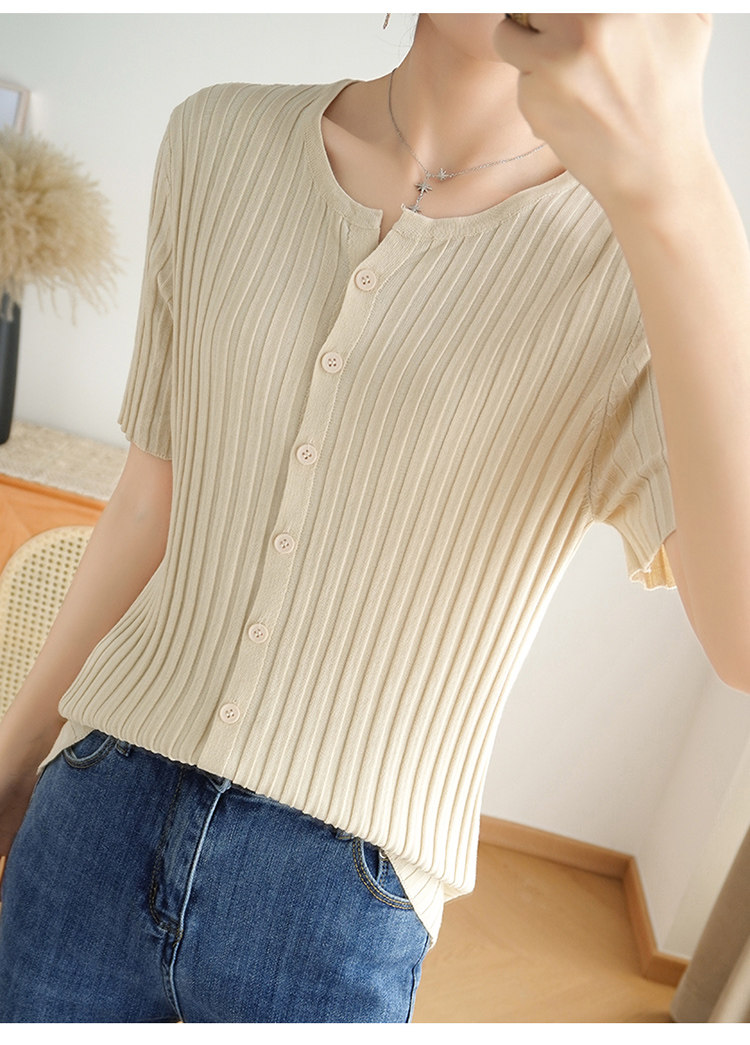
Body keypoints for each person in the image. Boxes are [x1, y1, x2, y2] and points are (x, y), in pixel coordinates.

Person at [0, 13, 748, 1023]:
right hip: (97, 801)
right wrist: (15, 757)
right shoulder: (217, 140)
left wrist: (678, 183)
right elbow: (145, 500)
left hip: (337, 904)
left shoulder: (639, 262)